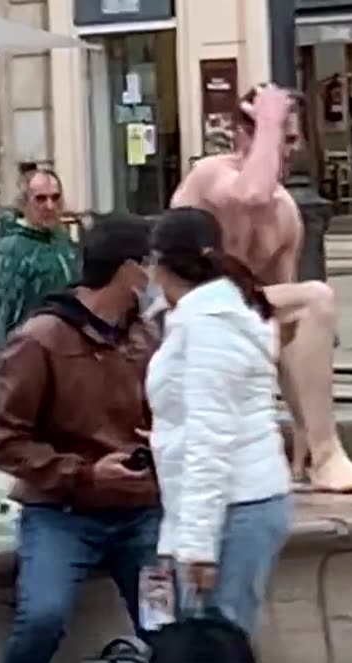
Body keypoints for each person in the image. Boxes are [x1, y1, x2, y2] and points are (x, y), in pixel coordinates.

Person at [0, 214, 160, 663]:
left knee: (168, 624)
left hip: (140, 512)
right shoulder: (39, 340)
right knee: (41, 617)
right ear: (129, 270)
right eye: (147, 263)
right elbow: (4, 441)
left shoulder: (145, 338)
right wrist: (84, 474)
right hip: (61, 512)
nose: (153, 274)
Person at [169, 83, 352, 494]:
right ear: (244, 135)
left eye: (291, 140)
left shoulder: (285, 215)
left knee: (312, 302)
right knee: (315, 294)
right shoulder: (212, 174)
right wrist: (267, 121)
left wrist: (303, 422)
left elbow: (283, 332)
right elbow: (250, 193)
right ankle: (326, 453)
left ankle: (325, 453)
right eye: (279, 138)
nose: (286, 151)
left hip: (230, 321)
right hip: (174, 316)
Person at [146, 207, 292, 634]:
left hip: (235, 506)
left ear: (160, 265)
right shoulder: (211, 314)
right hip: (229, 503)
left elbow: (211, 437)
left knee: (216, 652)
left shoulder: (209, 325)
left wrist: (197, 548)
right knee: (207, 649)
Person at [0, 169, 79, 362]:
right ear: (26, 203)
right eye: (40, 199)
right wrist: (1, 366)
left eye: (55, 198)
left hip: (65, 354)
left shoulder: (62, 240)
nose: (49, 206)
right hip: (30, 357)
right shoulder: (11, 250)